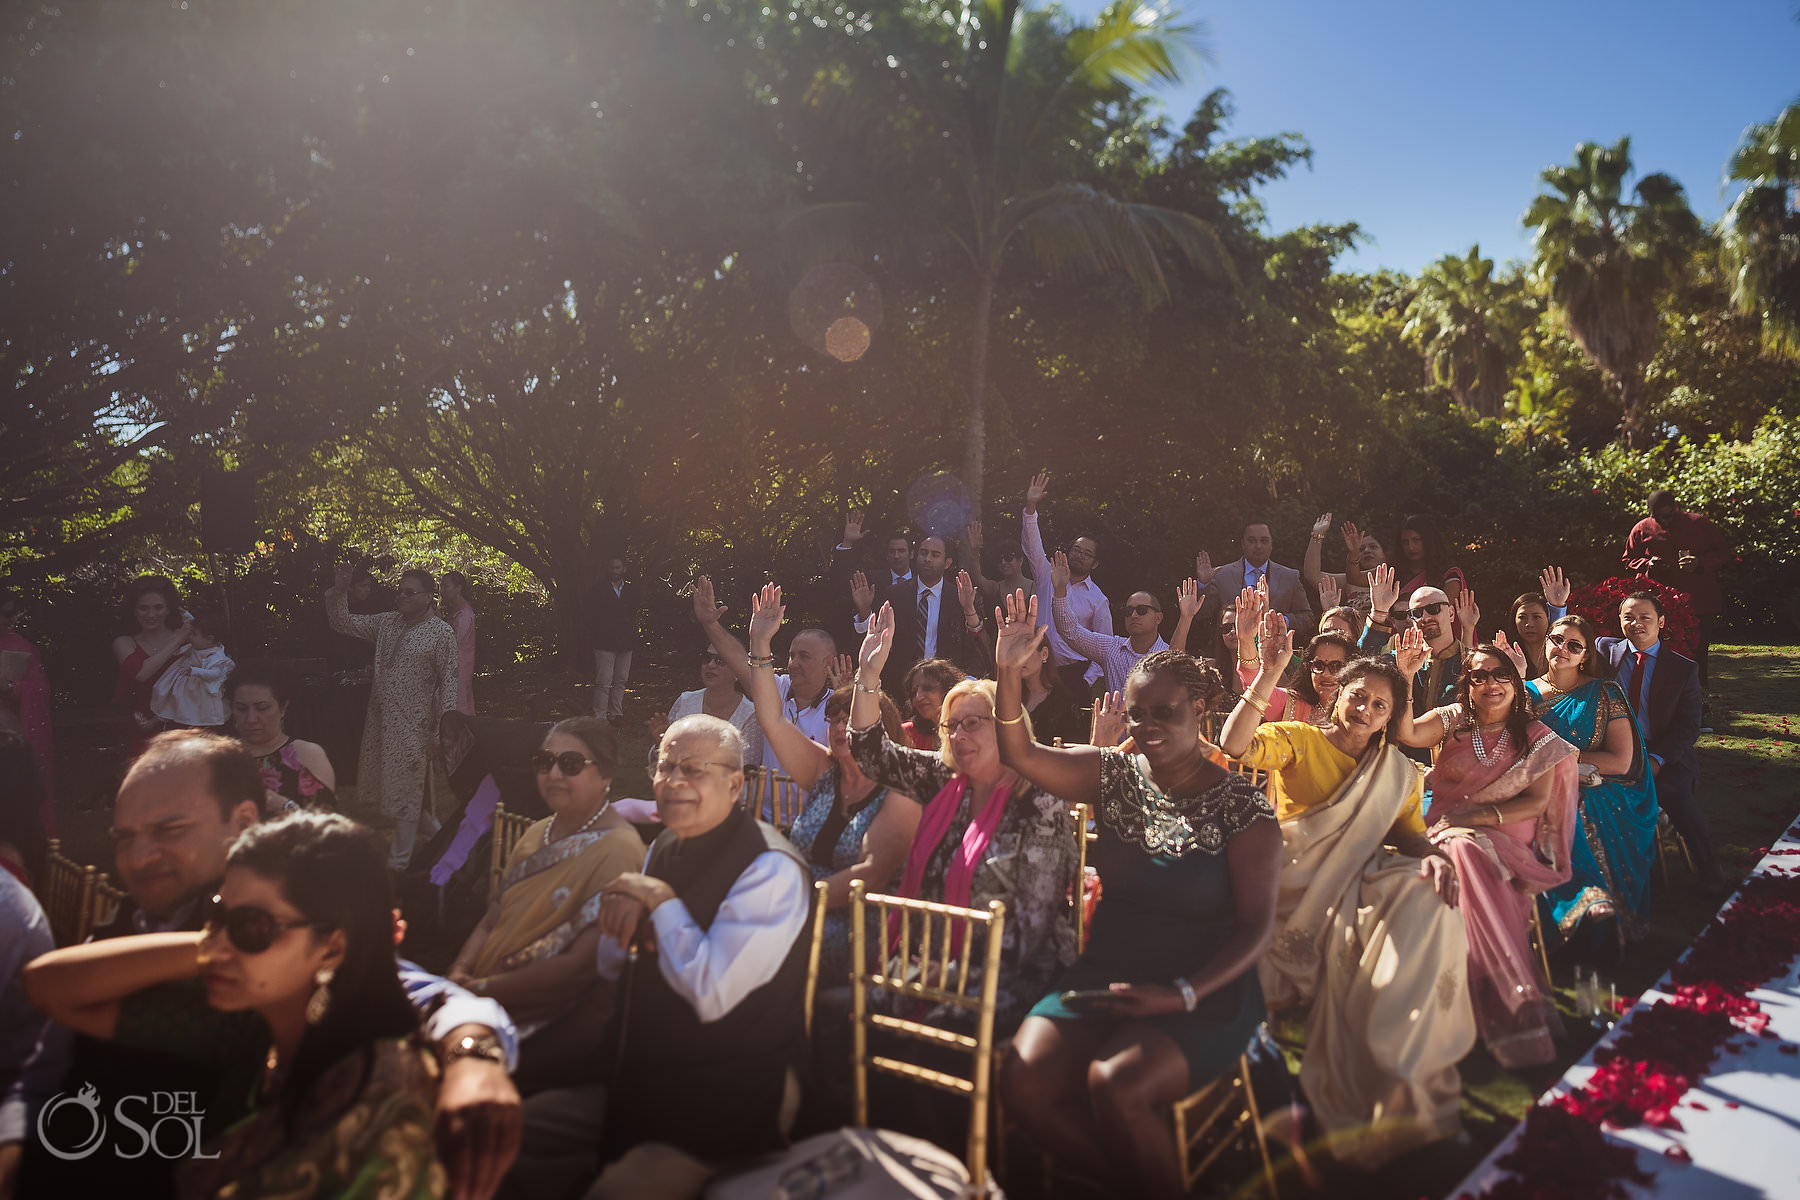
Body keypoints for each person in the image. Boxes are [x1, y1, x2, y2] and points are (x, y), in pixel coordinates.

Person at [1, 732, 521, 1200]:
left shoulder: (355, 1083)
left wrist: (474, 1056)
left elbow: (417, 991)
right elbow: (48, 1020)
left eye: (169, 829)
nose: (137, 857)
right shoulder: (183, 951)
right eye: (124, 837)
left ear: (243, 821)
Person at [990, 593, 1281, 1199]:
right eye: (1136, 713)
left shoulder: (1245, 808)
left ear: (1200, 709)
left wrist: (1182, 993)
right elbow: (1019, 753)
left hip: (1205, 989)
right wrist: (1007, 674)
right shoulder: (1112, 775)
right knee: (1020, 1082)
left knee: (1114, 1084)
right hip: (1109, 972)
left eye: (1164, 713)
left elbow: (1255, 927)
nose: (1146, 726)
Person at [24, 811, 447, 1199]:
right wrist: (221, 941)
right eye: (217, 913)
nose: (217, 948)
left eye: (253, 926)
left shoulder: (391, 1103)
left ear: (331, 948)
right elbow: (49, 987)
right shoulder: (252, 1023)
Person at [1217, 615, 1473, 1168]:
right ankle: (1383, 1061)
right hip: (1295, 881)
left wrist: (1433, 858)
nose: (1367, 712)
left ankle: (1405, 1057)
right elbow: (1233, 743)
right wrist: (1267, 675)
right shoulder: (1299, 740)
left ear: (1391, 716)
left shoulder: (1399, 769)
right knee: (1380, 923)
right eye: (1359, 698)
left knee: (1431, 901)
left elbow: (1407, 834)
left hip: (1362, 873)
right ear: (1338, 695)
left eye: (1381, 707)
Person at [569, 715, 812, 1197]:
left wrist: (660, 902)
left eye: (695, 770)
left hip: (730, 1098)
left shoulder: (769, 869)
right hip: (642, 1080)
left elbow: (711, 992)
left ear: (736, 784)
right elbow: (617, 966)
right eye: (666, 767)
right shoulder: (664, 845)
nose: (675, 781)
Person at [849, 601, 1079, 1033]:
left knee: (932, 1023)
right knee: (854, 1013)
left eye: (973, 723)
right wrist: (868, 674)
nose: (958, 735)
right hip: (931, 962)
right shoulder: (943, 779)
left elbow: (1032, 927)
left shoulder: (1040, 800)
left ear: (1006, 726)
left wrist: (951, 975)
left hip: (1013, 971)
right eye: (951, 726)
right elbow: (870, 753)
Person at [1388, 641, 1579, 1068]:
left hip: (1506, 832)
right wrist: (1403, 674)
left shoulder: (1537, 737)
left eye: (1501, 674)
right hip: (1446, 828)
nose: (1491, 683)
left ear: (1515, 682)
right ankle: (1493, 991)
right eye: (1479, 675)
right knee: (1458, 850)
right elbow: (1407, 734)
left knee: (1462, 851)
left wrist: (1477, 817)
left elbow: (1535, 802)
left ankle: (1489, 993)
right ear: (1467, 684)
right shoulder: (1452, 721)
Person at [448, 719, 645, 1094]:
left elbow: (577, 968)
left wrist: (479, 989)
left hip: (544, 1021)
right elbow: (493, 919)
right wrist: (458, 971)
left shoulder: (619, 849)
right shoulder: (538, 832)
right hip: (482, 998)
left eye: (570, 764)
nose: (553, 773)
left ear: (606, 774)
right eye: (544, 761)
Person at [741, 584, 921, 982]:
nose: (839, 725)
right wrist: (759, 643)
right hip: (794, 913)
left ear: (879, 731)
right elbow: (771, 720)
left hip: (860, 932)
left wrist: (791, 901)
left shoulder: (899, 793)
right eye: (833, 717)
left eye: (848, 718)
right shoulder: (824, 773)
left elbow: (872, 874)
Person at [1509, 615, 1659, 960]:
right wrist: (1517, 683)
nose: (1563, 648)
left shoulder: (1605, 691)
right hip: (1534, 782)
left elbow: (1621, 761)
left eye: (1573, 645)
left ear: (1584, 655)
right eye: (1557, 639)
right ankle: (1569, 909)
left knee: (1565, 803)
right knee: (1537, 805)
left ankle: (1587, 908)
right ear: (1545, 642)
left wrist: (1558, 763)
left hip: (1602, 786)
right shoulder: (1523, 691)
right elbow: (1510, 746)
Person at [324, 564, 459, 869]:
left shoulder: (442, 633)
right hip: (382, 721)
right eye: (400, 591)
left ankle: (398, 863)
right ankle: (439, 835)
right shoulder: (388, 623)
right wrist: (340, 590)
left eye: (410, 592)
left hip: (416, 724)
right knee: (402, 787)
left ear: (428, 598)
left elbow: (450, 681)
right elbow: (342, 622)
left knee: (406, 789)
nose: (402, 597)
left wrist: (443, 731)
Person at [1596, 592, 1721, 894]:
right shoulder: (1604, 652)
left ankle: (1709, 869)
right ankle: (1610, 872)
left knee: (1673, 795)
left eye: (1645, 617)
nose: (1636, 623)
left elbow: (1688, 726)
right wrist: (1557, 606)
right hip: (1613, 751)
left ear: (1661, 622)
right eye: (1628, 617)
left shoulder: (1682, 668)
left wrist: (1657, 759)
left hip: (1664, 754)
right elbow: (1562, 642)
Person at [694, 575, 835, 768]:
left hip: (817, 799)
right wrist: (711, 624)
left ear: (827, 663)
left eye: (804, 656)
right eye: (792, 656)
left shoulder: (838, 708)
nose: (794, 664)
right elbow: (739, 660)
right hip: (768, 800)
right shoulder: (778, 688)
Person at [1624, 489, 1729, 699]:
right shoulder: (1642, 529)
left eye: (1670, 515)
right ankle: (1662, 702)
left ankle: (1699, 702)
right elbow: (1627, 560)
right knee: (1659, 654)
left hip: (1699, 602)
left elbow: (1724, 552)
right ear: (1651, 513)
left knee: (1698, 655)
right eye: (1661, 517)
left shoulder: (1699, 524)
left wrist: (1700, 563)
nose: (1666, 520)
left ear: (1676, 508)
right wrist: (1647, 564)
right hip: (1660, 606)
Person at [1049, 554, 1201, 695]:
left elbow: (1175, 663)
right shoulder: (1110, 648)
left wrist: (1186, 617)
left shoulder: (1166, 652)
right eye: (1128, 611)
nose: (1134, 615)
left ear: (1158, 618)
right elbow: (1069, 631)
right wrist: (1060, 589)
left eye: (1141, 610)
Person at [851, 542, 991, 693]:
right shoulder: (895, 595)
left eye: (935, 555)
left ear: (947, 563)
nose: (927, 559)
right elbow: (876, 641)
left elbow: (976, 647)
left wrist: (966, 683)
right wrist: (865, 611)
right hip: (901, 686)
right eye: (923, 553)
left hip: (947, 687)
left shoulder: (959, 597)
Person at [1022, 471, 1113, 691]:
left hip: (1073, 674)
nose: (1079, 555)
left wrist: (1086, 681)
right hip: (1036, 667)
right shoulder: (1047, 574)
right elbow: (1032, 547)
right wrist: (1031, 508)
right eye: (1076, 550)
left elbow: (1105, 646)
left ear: (1095, 564)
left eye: (1086, 554)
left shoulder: (1098, 599)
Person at [229, 664, 339, 812]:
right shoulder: (222, 756)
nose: (251, 719)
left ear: (283, 708)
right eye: (241, 709)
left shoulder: (306, 754)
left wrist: (284, 806)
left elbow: (327, 825)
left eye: (262, 708)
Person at [649, 643, 766, 766]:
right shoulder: (685, 701)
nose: (711, 665)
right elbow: (659, 763)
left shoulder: (751, 715)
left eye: (720, 660)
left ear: (737, 671)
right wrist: (661, 744)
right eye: (707, 658)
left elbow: (746, 770)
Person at [112, 574, 191, 755]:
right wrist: (179, 638)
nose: (151, 615)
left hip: (184, 726)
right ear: (134, 610)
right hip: (143, 728)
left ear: (169, 609)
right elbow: (141, 673)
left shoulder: (191, 641)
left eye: (158, 607)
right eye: (143, 608)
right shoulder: (124, 642)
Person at [1199, 521, 1316, 641]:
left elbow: (1308, 618)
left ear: (1271, 544)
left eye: (1264, 540)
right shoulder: (1223, 575)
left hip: (1275, 652)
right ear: (1243, 544)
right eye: (1252, 540)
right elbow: (1203, 614)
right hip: (1232, 653)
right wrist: (1204, 584)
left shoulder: (1290, 577)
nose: (1258, 546)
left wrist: (1280, 621)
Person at [0, 591, 54, 835]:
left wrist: (11, 687)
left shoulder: (22, 647)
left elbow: (41, 690)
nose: (10, 619)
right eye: (5, 613)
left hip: (8, 739)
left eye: (12, 613)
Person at [150, 611, 236, 729]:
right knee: (173, 701)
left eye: (193, 634)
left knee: (194, 709)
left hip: (198, 688)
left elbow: (215, 674)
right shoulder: (199, 646)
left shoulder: (217, 656)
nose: (189, 637)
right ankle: (159, 720)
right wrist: (185, 614)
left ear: (209, 639)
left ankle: (194, 725)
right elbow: (194, 623)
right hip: (184, 684)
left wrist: (196, 671)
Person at [1301, 515, 1385, 615]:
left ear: (1386, 552)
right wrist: (1317, 535)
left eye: (1373, 547)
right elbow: (1312, 575)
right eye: (1361, 549)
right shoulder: (1350, 581)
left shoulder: (1398, 575)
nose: (1367, 550)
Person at [588, 558, 637, 723]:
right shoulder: (598, 590)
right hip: (604, 643)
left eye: (617, 567)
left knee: (621, 680)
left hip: (625, 642)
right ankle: (600, 716)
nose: (614, 571)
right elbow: (592, 617)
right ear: (607, 569)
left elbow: (632, 615)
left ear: (624, 569)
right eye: (611, 567)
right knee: (603, 682)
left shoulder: (630, 591)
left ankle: (616, 714)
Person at [1508, 567, 1572, 678]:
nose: (1529, 624)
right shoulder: (1508, 658)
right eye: (1522, 617)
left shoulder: (1564, 655)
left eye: (1536, 617)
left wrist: (1557, 606)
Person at [1394, 513, 1467, 604]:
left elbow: (1445, 610)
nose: (1411, 547)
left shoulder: (1448, 575)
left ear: (1428, 540)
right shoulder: (1394, 573)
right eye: (1405, 542)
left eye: (1416, 540)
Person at [963, 520, 1033, 610]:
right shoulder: (996, 588)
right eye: (1000, 559)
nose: (1003, 562)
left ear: (1020, 560)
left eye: (1009, 558)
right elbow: (978, 578)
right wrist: (975, 551)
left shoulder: (1034, 587)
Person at [900, 657, 966, 750]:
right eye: (914, 692)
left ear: (949, 690)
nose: (918, 697)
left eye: (927, 688)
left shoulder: (970, 731)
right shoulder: (906, 733)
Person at [442, 571, 477, 716]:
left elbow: (453, 643)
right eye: (440, 587)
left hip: (459, 666)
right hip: (452, 666)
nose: (441, 591)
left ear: (458, 588)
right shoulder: (455, 611)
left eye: (445, 586)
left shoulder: (464, 615)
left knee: (459, 704)